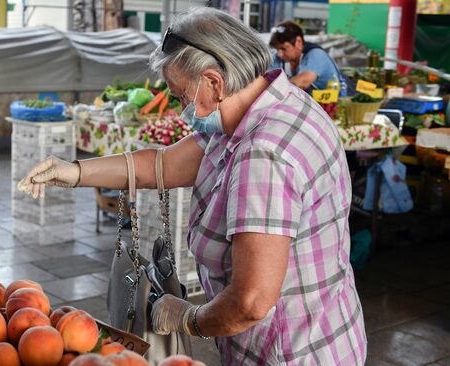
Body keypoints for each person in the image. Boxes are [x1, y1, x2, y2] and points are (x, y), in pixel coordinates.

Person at [20, 7, 366, 365]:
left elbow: (251, 302)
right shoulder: (260, 107)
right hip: (327, 329)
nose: (182, 108)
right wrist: (74, 172)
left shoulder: (263, 154)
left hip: (292, 352)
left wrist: (187, 318)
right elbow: (164, 164)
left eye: (182, 96)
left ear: (215, 82)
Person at [269, 21, 341, 92]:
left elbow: (303, 82)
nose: (279, 54)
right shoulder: (278, 58)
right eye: (277, 49)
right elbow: (266, 79)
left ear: (299, 42)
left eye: (284, 49)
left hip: (336, 102)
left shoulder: (316, 54)